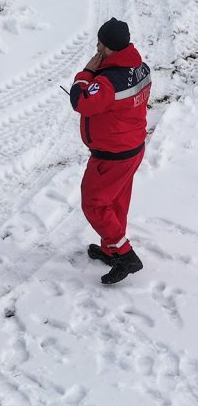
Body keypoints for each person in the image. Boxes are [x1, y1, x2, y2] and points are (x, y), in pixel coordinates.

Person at [69, 18, 151, 285]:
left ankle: (125, 254)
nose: (97, 48)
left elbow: (81, 101)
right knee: (116, 201)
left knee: (94, 203)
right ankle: (110, 248)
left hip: (111, 155)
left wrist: (85, 74)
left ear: (108, 47)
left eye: (100, 44)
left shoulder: (106, 82)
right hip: (133, 148)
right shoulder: (141, 68)